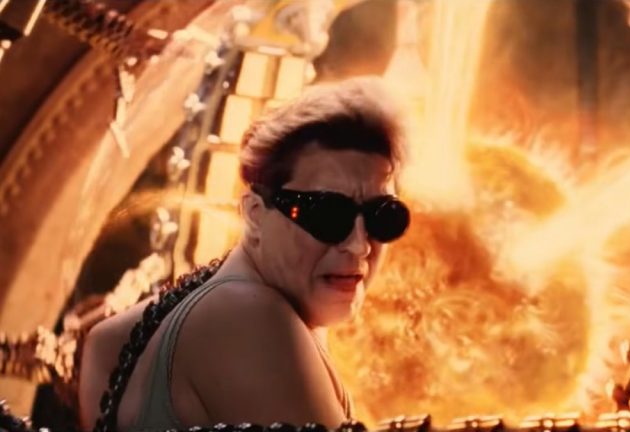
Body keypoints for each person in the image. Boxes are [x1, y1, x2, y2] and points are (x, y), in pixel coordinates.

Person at [78, 77, 410, 431]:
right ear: (254, 213)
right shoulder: (252, 319)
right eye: (328, 215)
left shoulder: (128, 333)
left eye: (382, 218)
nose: (359, 245)